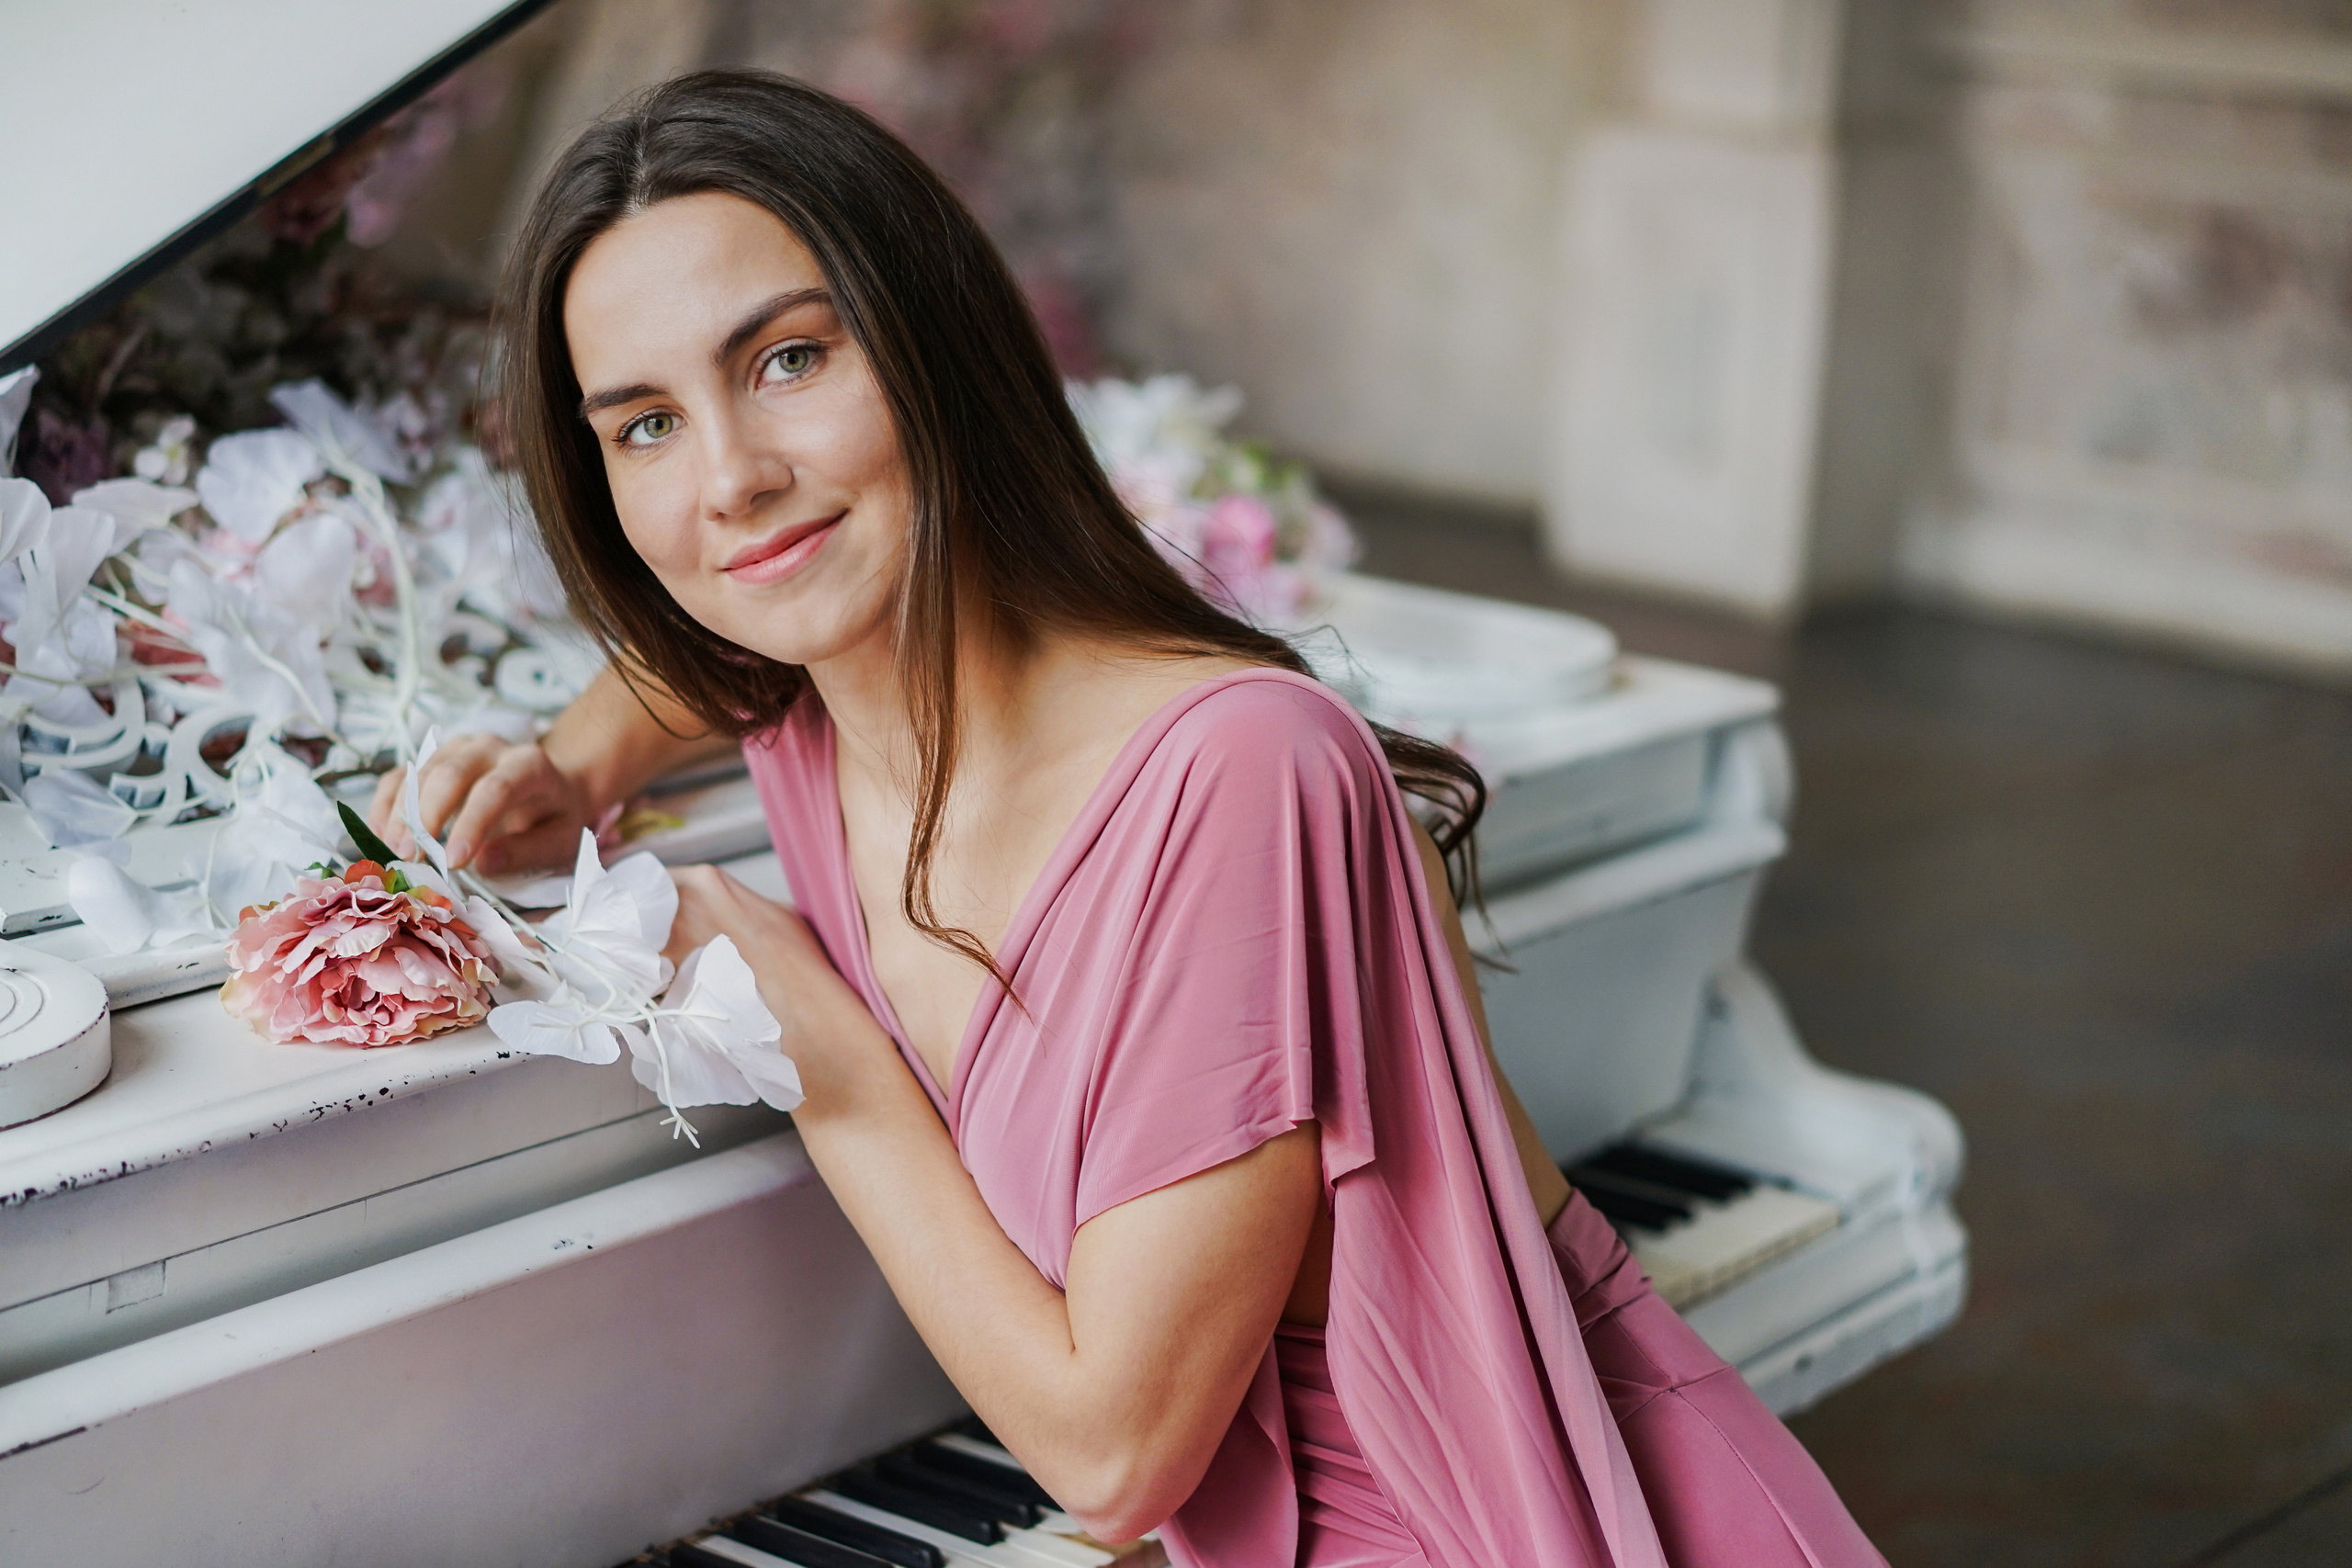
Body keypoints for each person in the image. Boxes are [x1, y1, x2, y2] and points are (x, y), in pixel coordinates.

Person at [378, 69, 1885, 1568]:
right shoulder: (819, 696)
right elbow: (715, 605)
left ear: (933, 346)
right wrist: (572, 767)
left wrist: (820, 1058)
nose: (730, 479)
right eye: (643, 426)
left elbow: (1114, 1456)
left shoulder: (1239, 776)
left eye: (786, 361)